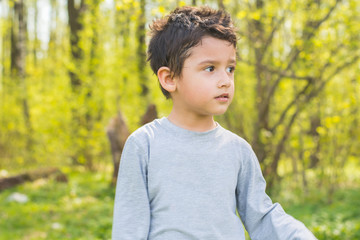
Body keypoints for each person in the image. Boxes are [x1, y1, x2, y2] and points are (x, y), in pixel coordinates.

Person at [112, 6, 317, 240]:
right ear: (169, 79)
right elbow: (129, 227)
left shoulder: (238, 150)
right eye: (210, 68)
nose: (225, 81)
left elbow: (262, 216)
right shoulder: (143, 145)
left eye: (230, 69)